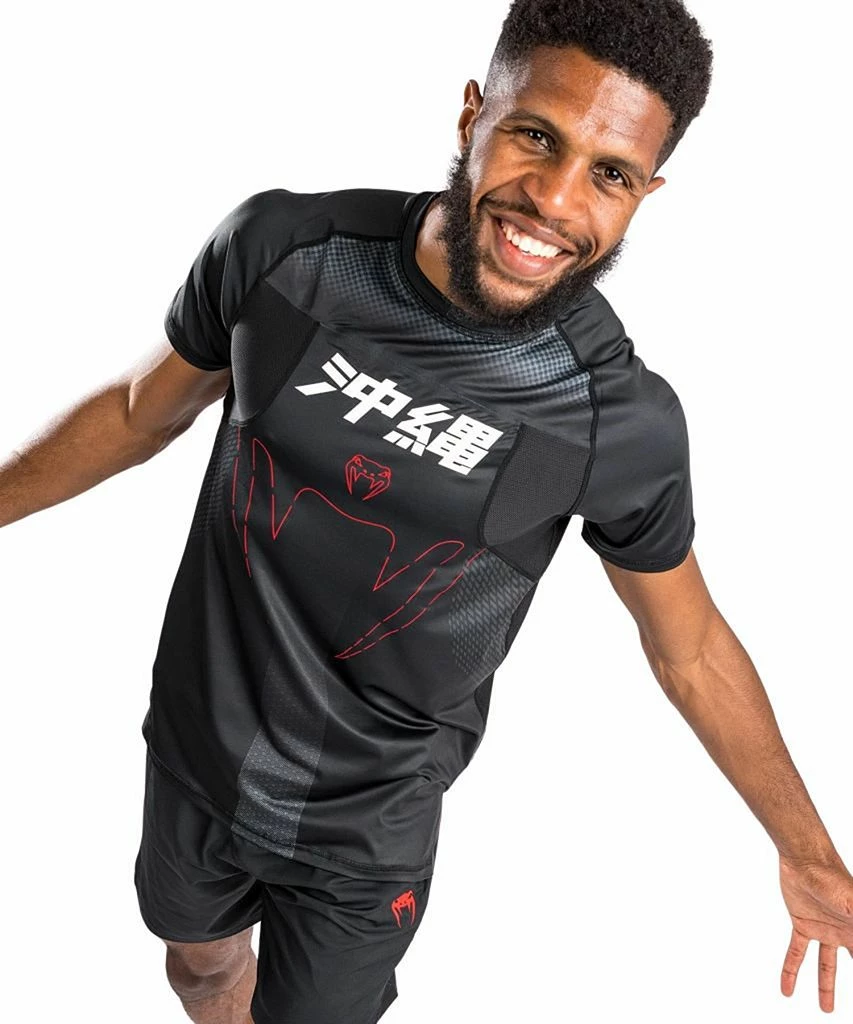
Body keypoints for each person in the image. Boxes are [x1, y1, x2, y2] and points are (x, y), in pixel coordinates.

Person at [1, 0, 851, 1020]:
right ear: (472, 114)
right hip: (194, 748)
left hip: (367, 831)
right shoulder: (287, 251)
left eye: (609, 174)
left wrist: (808, 852)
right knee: (199, 969)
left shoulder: (612, 419)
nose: (553, 200)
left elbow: (691, 649)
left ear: (646, 193)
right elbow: (142, 413)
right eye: (535, 135)